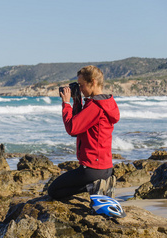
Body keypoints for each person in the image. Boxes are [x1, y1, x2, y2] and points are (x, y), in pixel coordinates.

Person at [47, 65, 120, 200]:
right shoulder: (105, 103)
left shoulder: (95, 106)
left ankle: (92, 186)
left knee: (53, 191)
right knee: (59, 188)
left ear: (92, 82)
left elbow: (72, 128)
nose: (80, 89)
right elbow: (79, 130)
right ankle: (98, 184)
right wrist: (76, 100)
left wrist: (66, 104)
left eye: (81, 85)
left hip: (93, 169)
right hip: (105, 167)